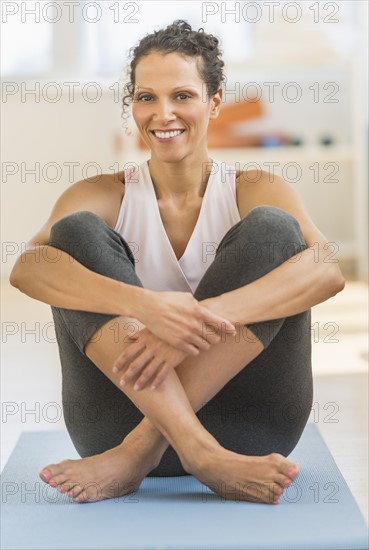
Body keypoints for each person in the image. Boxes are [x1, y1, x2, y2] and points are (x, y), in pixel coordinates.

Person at [10, 20, 345, 505]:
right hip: (111, 425)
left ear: (214, 102)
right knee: (72, 235)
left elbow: (326, 270)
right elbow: (28, 268)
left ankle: (148, 450)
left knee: (275, 230)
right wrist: (148, 308)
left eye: (182, 96)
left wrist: (197, 321)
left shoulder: (254, 187)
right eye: (146, 98)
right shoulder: (102, 194)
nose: (162, 114)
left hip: (248, 428)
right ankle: (199, 452)